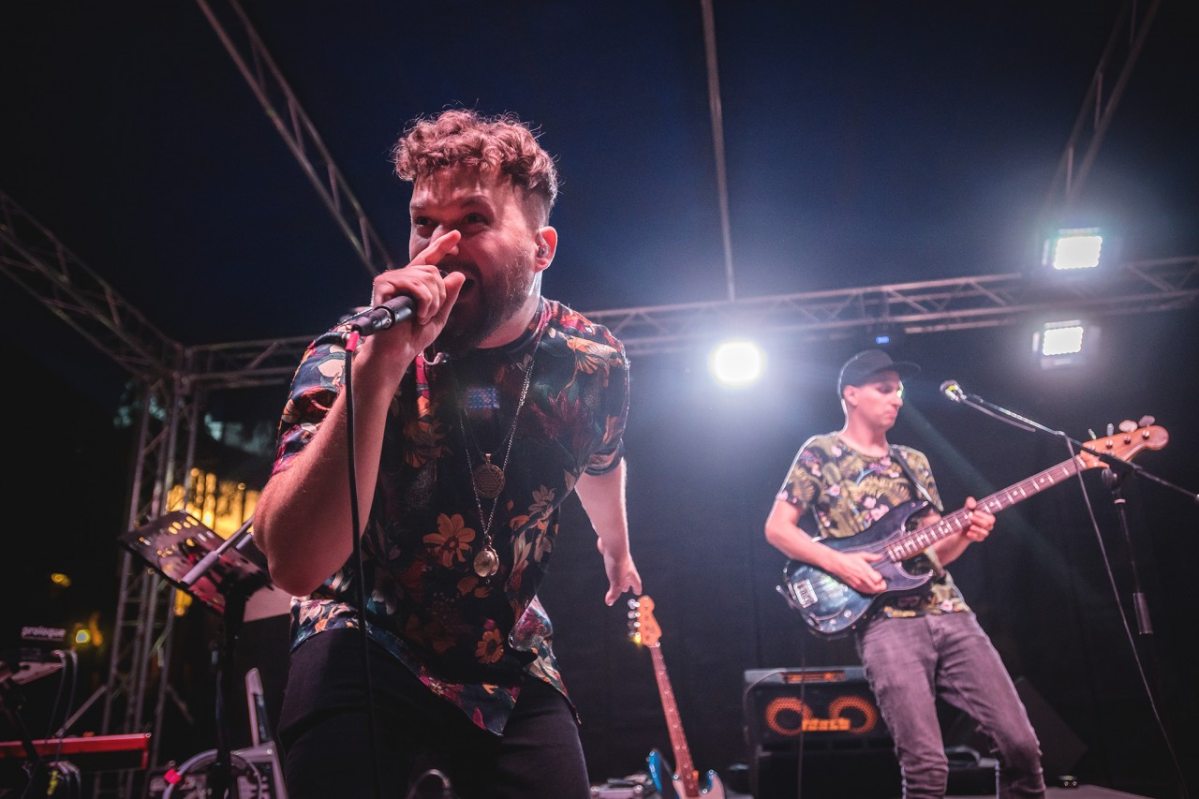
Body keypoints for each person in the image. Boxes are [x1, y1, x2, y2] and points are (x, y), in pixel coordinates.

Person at [255, 109, 642, 799]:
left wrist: (616, 548)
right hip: (365, 631)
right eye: (424, 223)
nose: (442, 246)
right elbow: (294, 564)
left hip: (507, 650)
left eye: (473, 220)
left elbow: (601, 461)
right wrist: (378, 368)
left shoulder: (592, 364)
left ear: (542, 248)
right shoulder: (350, 351)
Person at [764, 349, 1045, 799]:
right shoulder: (820, 452)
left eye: (899, 390)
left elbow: (936, 552)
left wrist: (968, 533)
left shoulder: (912, 461)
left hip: (950, 613)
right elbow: (778, 529)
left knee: (1022, 745)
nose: (897, 398)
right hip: (885, 624)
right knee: (927, 768)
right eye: (884, 389)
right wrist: (842, 564)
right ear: (851, 394)